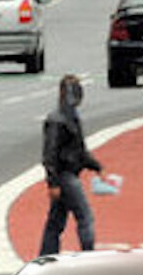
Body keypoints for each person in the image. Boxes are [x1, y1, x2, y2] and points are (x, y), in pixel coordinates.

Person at [40, 75, 104, 255]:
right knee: (85, 216)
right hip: (65, 175)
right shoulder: (59, 119)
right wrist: (52, 182)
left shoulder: (67, 117)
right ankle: (87, 253)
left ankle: (46, 256)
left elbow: (79, 150)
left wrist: (96, 166)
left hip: (65, 175)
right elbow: (50, 153)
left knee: (56, 221)